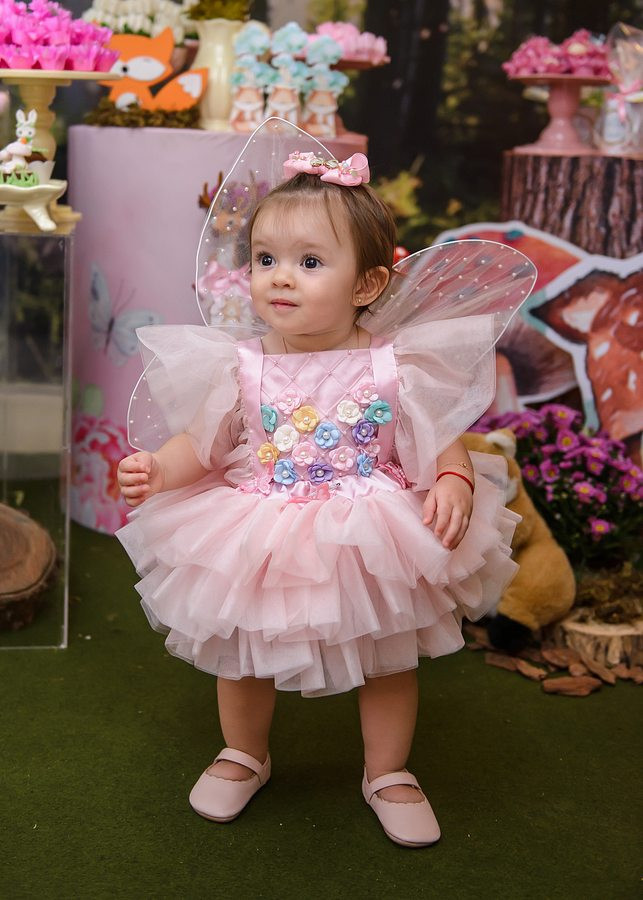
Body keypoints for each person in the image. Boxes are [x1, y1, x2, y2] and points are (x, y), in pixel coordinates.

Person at [116, 120, 536, 848]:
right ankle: (243, 753)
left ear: (366, 283)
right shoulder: (241, 365)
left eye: (309, 262)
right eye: (265, 259)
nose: (279, 276)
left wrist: (452, 480)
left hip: (368, 530)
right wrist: (158, 470)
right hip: (262, 528)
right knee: (242, 649)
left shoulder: (394, 365)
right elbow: (205, 446)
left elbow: (439, 438)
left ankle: (388, 771)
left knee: (388, 654)